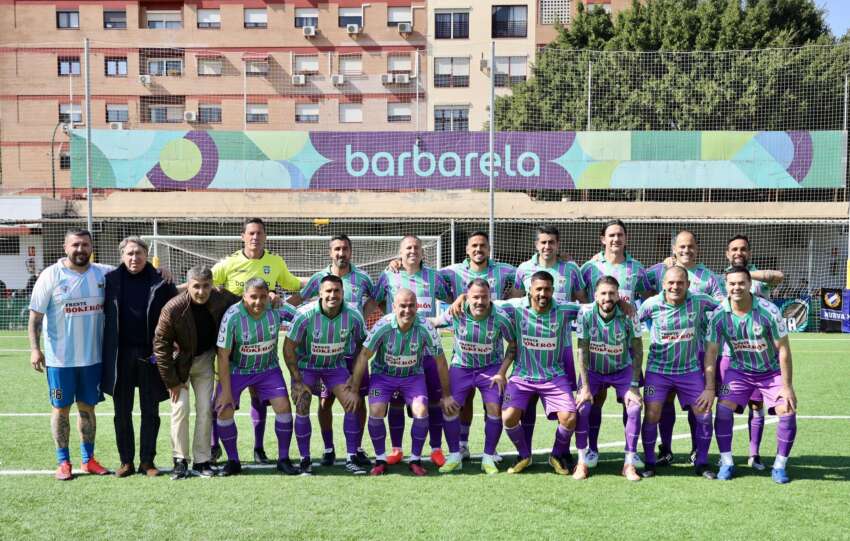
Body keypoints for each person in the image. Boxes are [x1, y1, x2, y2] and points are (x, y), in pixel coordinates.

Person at [211, 217, 304, 464]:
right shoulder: (229, 263)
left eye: (259, 233)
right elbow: (204, 285)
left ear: (265, 236)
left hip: (265, 349)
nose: (255, 237)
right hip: (232, 348)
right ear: (243, 236)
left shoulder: (275, 262)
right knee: (221, 400)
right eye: (251, 233)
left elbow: (297, 288)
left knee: (260, 400)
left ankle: (261, 448)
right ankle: (215, 446)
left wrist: (282, 304)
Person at [28, 229, 111, 480]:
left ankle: (89, 460)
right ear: (65, 247)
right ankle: (63, 462)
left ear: (91, 247)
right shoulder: (50, 275)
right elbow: (35, 317)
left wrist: (161, 271)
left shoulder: (103, 274)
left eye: (85, 245)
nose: (80, 249)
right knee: (61, 409)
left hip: (92, 359)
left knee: (88, 409)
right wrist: (35, 348)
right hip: (60, 361)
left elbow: (135, 270)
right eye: (75, 245)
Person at [349, 288, 458, 476]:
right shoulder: (382, 325)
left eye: (411, 306)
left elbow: (440, 361)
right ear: (394, 307)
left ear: (417, 307)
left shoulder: (426, 327)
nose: (407, 310)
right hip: (383, 377)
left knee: (421, 410)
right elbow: (363, 356)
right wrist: (354, 389)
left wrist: (447, 395)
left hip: (412, 376)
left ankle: (415, 459)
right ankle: (381, 458)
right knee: (376, 410)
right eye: (402, 306)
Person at [707, 266, 797, 484]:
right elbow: (711, 352)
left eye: (741, 283)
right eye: (732, 283)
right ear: (726, 286)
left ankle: (779, 466)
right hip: (738, 372)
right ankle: (727, 462)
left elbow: (783, 348)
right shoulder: (719, 314)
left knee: (787, 409)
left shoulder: (768, 310)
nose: (736, 287)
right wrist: (710, 387)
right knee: (722, 408)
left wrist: (787, 386)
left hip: (771, 372)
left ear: (749, 285)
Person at [298, 234, 378, 467]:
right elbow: (301, 298)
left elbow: (376, 299)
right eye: (337, 249)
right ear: (330, 252)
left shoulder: (362, 277)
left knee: (357, 400)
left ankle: (357, 447)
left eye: (345, 249)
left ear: (351, 252)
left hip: (352, 351)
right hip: (325, 353)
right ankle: (328, 448)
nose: (341, 253)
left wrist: (361, 318)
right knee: (325, 402)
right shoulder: (319, 278)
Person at [645, 230, 723, 467]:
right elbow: (638, 280)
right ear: (674, 249)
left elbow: (722, 305)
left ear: (697, 248)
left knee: (697, 407)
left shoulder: (709, 277)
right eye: (681, 246)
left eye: (690, 246)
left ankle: (696, 452)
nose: (686, 250)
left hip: (696, 352)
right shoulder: (660, 271)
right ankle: (664, 449)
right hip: (662, 355)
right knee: (661, 403)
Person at [373, 235, 452, 467]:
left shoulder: (433, 277)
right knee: (396, 403)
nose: (412, 251)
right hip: (398, 354)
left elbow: (451, 299)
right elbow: (377, 301)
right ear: (400, 253)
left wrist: (441, 320)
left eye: (416, 247)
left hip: (428, 351)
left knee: (434, 402)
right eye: (408, 248)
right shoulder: (389, 275)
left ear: (422, 252)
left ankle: (436, 448)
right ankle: (396, 449)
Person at [102, 236, 177, 477]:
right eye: (130, 253)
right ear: (122, 256)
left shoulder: (161, 280)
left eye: (139, 253)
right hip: (120, 355)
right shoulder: (109, 280)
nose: (134, 258)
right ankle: (126, 461)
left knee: (150, 411)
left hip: (150, 355)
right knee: (122, 411)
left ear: (147, 255)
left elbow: (176, 310)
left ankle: (147, 461)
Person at [154, 265, 238, 480]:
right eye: (196, 287)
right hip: (179, 364)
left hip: (205, 361)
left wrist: (273, 299)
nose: (201, 291)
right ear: (188, 286)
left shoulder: (221, 298)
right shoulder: (173, 308)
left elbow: (246, 301)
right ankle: (180, 460)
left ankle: (202, 460)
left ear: (213, 286)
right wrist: (171, 381)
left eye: (206, 286)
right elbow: (161, 345)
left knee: (205, 410)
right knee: (180, 408)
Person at [512, 225, 587, 465]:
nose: (547, 247)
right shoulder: (524, 269)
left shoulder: (571, 268)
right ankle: (526, 451)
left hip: (561, 346)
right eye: (543, 242)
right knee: (528, 399)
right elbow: (514, 297)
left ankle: (561, 451)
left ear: (558, 244)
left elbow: (583, 302)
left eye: (551, 242)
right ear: (536, 245)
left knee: (566, 402)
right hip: (531, 347)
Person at [438, 231, 516, 460]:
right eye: (474, 245)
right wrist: (398, 262)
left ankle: (490, 449)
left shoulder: (505, 270)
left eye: (483, 245)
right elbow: (426, 273)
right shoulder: (452, 271)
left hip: (491, 349)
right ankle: (462, 445)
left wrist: (562, 257)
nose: (478, 249)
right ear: (467, 249)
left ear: (489, 248)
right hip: (463, 352)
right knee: (464, 400)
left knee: (491, 403)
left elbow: (528, 274)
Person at [580, 219, 651, 469]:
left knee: (630, 401)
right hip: (597, 345)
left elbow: (649, 297)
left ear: (626, 238)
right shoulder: (589, 267)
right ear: (603, 239)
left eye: (620, 235)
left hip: (625, 347)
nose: (615, 239)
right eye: (611, 235)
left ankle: (630, 453)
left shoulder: (637, 268)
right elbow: (580, 297)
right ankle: (592, 449)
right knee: (594, 401)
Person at [637, 266, 719, 480]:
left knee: (704, 414)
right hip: (658, 371)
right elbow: (630, 322)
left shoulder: (700, 301)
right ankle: (649, 462)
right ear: (663, 284)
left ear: (688, 285)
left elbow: (726, 306)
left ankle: (702, 462)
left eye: (680, 283)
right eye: (671, 283)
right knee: (652, 413)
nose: (675, 286)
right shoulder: (651, 304)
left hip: (690, 371)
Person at [497, 271, 581, 475]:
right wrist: (463, 298)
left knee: (570, 418)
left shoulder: (564, 310)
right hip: (522, 376)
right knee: (508, 417)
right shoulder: (515, 307)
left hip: (554, 376)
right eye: (539, 289)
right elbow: (486, 303)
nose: (543, 293)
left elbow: (591, 308)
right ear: (530, 290)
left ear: (553, 290)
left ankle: (557, 454)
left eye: (547, 289)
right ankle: (524, 454)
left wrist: (622, 303)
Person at [214, 278, 299, 476]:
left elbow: (304, 319)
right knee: (224, 409)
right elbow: (223, 356)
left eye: (263, 297)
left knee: (284, 408)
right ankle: (233, 461)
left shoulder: (277, 308)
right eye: (253, 297)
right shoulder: (233, 315)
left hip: (268, 369)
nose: (258, 302)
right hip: (238, 370)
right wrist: (226, 392)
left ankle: (283, 459)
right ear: (244, 296)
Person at [430, 278, 516, 474]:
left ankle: (488, 457)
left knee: (494, 408)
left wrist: (502, 373)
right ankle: (454, 456)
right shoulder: (456, 311)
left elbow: (513, 344)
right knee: (449, 406)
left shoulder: (501, 317)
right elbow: (435, 322)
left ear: (490, 297)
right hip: (462, 367)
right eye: (475, 297)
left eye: (484, 297)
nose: (479, 301)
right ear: (467, 298)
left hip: (490, 369)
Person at [283, 275, 366, 475]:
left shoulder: (354, 315)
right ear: (320, 293)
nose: (332, 295)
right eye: (328, 291)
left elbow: (363, 347)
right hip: (307, 367)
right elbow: (288, 348)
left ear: (343, 293)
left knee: (352, 402)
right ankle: (305, 460)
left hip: (335, 367)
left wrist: (354, 378)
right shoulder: (305, 315)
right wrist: (296, 380)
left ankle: (351, 457)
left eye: (337, 291)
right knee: (302, 401)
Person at [720, 234, 785, 470]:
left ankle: (753, 453)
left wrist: (745, 275)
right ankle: (724, 456)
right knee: (723, 405)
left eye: (743, 249)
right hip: (730, 355)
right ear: (727, 254)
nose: (739, 253)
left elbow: (779, 276)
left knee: (756, 406)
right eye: (734, 250)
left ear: (749, 252)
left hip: (760, 356)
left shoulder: (758, 278)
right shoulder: (720, 279)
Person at [573, 276, 644, 481]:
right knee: (583, 406)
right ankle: (582, 461)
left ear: (618, 295)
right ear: (595, 296)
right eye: (603, 293)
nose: (607, 297)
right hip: (594, 370)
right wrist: (585, 387)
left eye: (612, 293)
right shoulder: (585, 313)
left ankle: (629, 462)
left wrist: (634, 385)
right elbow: (582, 351)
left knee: (634, 407)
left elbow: (638, 350)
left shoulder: (630, 314)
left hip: (622, 369)